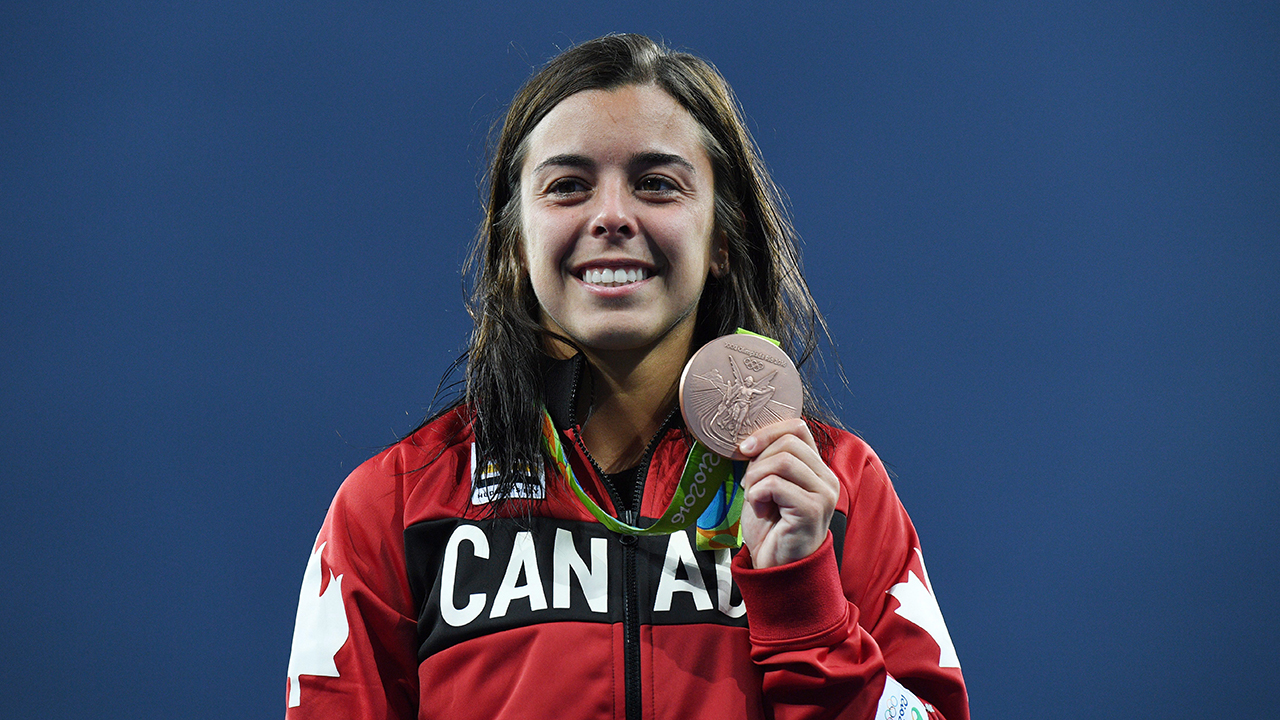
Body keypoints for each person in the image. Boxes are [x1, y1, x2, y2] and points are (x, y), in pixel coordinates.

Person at [285, 33, 969, 720]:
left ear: (722, 240)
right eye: (568, 187)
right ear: (516, 246)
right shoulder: (395, 508)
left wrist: (805, 604)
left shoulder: (834, 494)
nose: (612, 217)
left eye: (656, 184)